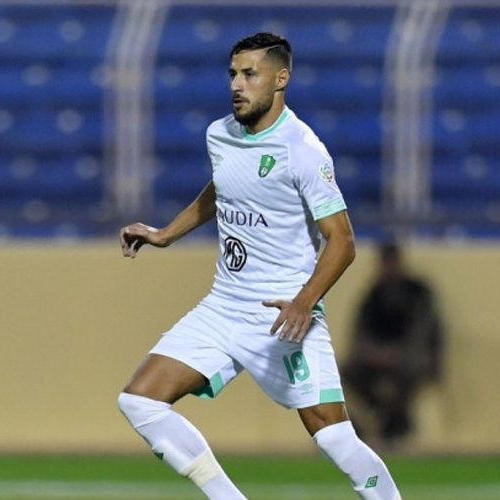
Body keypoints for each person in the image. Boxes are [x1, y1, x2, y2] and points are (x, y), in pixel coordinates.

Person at [117, 33, 401, 500]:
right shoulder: (220, 134)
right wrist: (166, 234)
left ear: (280, 79)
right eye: (233, 74)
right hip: (223, 305)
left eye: (250, 74)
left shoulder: (302, 150)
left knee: (334, 438)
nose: (237, 84)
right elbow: (224, 186)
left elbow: (343, 241)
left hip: (282, 313)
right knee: (139, 400)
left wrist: (304, 303)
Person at [343, 243, 443, 446]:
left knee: (410, 370)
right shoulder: (374, 295)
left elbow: (424, 331)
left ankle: (396, 421)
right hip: (377, 358)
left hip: (409, 357)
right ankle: (386, 415)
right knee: (347, 371)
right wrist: (375, 353)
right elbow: (361, 333)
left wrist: (397, 353)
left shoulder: (417, 292)